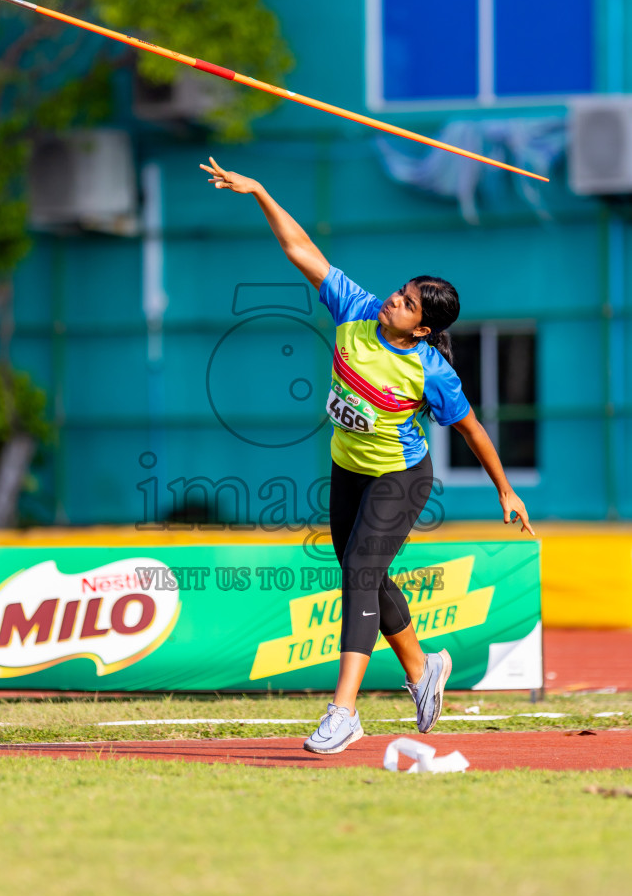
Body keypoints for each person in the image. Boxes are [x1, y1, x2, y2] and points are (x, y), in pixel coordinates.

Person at [200, 156, 534, 755]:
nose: (393, 300)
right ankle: (422, 668)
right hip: (347, 467)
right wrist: (260, 191)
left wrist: (504, 489)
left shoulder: (430, 370)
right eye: (400, 292)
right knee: (365, 573)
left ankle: (344, 711)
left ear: (425, 329)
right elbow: (301, 250)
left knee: (360, 571)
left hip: (400, 478)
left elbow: (474, 432)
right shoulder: (355, 310)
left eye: (407, 304)